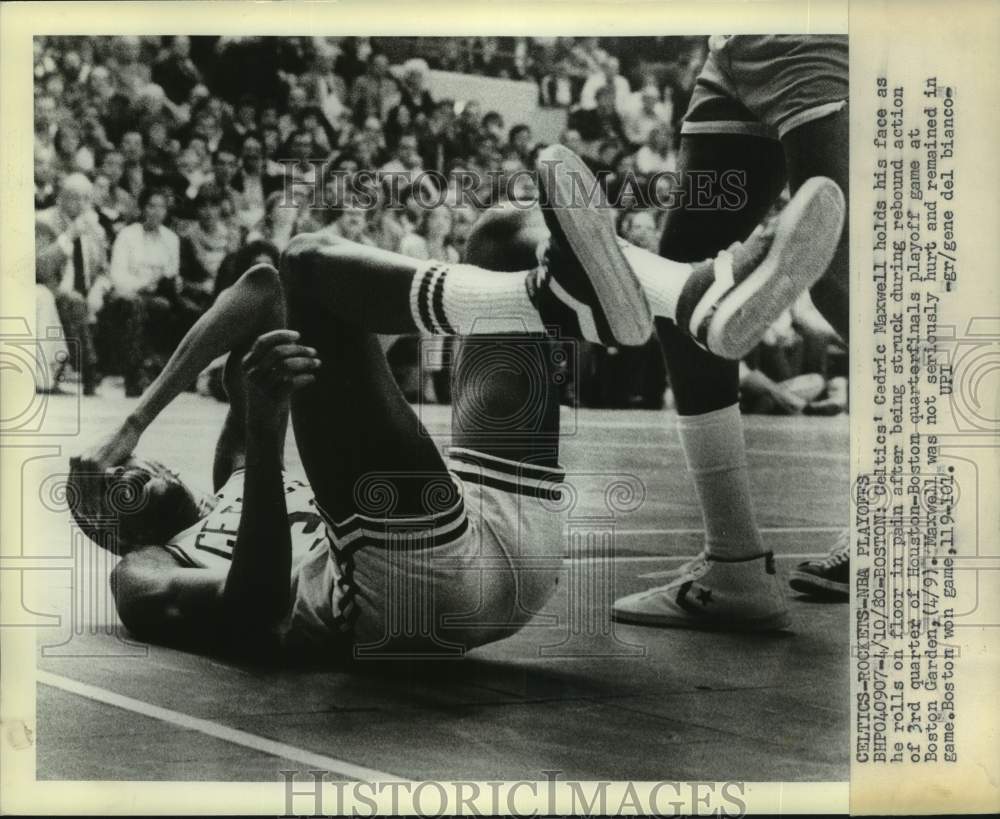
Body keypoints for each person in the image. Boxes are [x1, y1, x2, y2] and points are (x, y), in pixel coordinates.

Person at [68, 145, 843, 656]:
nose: (110, 480)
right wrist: (269, 437)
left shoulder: (227, 475)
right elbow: (253, 614)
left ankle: (693, 294)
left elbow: (257, 289)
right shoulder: (141, 570)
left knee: (503, 233)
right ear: (107, 536)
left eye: (108, 469)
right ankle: (613, 299)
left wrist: (137, 415)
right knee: (311, 267)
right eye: (94, 499)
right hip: (402, 597)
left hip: (505, 538)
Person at [611, 35, 852, 628]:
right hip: (734, 50)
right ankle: (734, 565)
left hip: (811, 32)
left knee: (840, 277)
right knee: (687, 287)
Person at [35, 173, 108, 395]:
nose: (81, 204)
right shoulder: (42, 221)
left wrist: (99, 288)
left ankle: (136, 379)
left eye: (86, 198)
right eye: (74, 197)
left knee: (130, 302)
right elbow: (40, 268)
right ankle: (90, 371)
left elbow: (105, 270)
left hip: (87, 292)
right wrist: (70, 234)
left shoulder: (96, 228)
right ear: (60, 198)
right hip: (52, 289)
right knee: (73, 301)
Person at [105, 187, 181, 397]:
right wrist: (145, 282)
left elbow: (172, 272)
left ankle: (174, 373)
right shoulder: (127, 235)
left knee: (179, 308)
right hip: (128, 293)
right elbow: (118, 276)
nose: (156, 212)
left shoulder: (171, 239)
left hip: (160, 294)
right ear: (142, 208)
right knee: (135, 305)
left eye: (161, 207)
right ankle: (134, 374)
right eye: (151, 206)